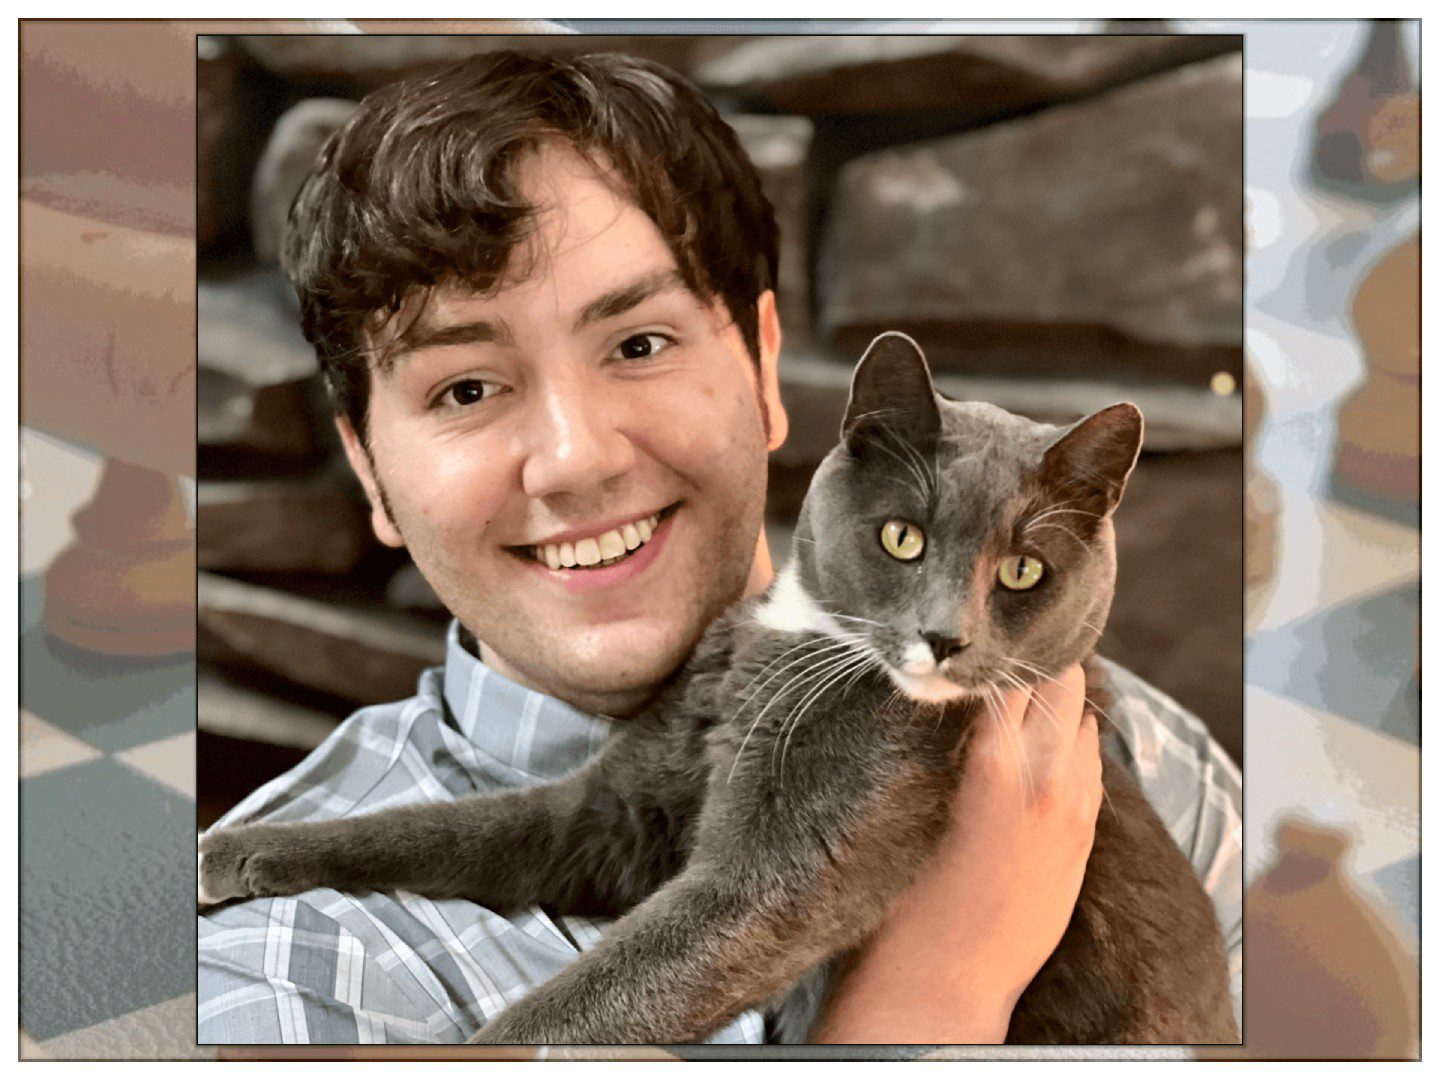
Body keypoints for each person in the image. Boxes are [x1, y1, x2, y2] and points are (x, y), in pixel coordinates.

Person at [198, 49, 1241, 1047]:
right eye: (465, 388)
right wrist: (931, 998)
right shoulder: (272, 973)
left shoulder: (1170, 768)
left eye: (638, 344)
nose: (575, 461)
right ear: (369, 473)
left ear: (764, 369)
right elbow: (602, 841)